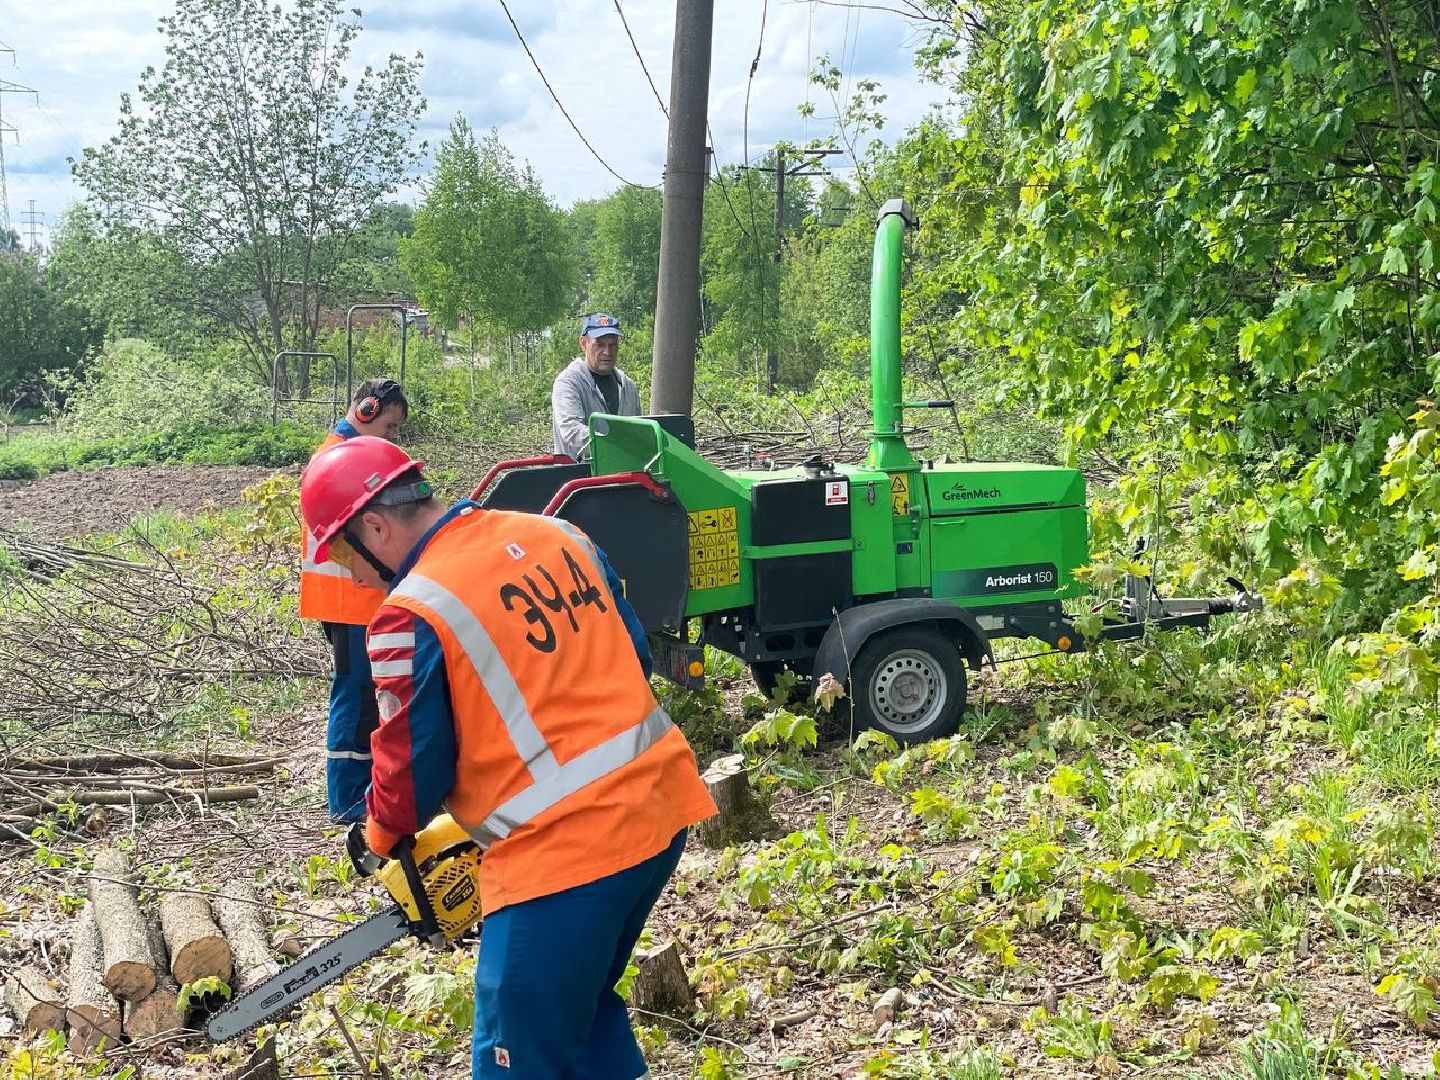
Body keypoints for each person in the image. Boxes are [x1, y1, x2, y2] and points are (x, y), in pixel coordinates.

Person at [299, 436, 716, 1079]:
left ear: (375, 526)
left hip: (566, 857)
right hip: (659, 812)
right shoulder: (558, 536)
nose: (352, 577)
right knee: (581, 1014)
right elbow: (630, 656)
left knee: (515, 1053)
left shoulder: (411, 612)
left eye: (346, 557)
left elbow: (411, 771)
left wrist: (378, 835)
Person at [298, 378, 409, 822]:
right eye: (388, 426)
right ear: (364, 412)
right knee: (354, 695)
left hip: (358, 600)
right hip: (347, 601)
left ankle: (365, 792)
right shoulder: (337, 462)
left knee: (367, 697)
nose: (392, 437)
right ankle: (345, 801)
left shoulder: (349, 456)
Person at [551, 313, 641, 461]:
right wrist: (617, 445)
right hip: (579, 477)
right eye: (599, 344)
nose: (607, 352)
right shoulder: (569, 383)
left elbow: (639, 430)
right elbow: (572, 431)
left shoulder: (628, 387)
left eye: (612, 344)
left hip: (623, 475)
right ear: (583, 343)